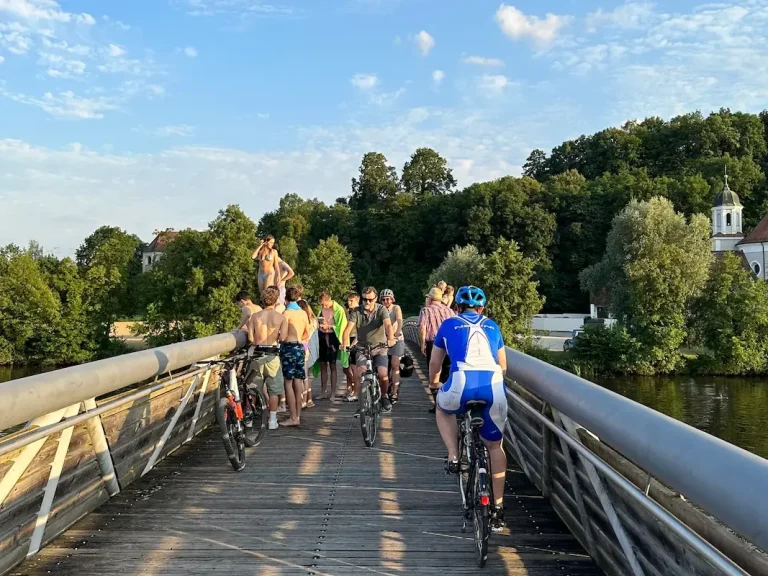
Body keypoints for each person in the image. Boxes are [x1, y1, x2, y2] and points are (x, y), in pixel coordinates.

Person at [429, 286, 507, 533]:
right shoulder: (493, 326)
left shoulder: (449, 324)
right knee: (495, 446)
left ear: (457, 308)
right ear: (481, 308)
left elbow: (435, 363)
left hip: (461, 384)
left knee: (442, 408)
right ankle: (497, 509)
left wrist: (433, 383)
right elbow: (503, 365)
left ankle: (453, 456)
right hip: (492, 387)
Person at [341, 287, 396, 413]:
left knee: (382, 374)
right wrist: (345, 343)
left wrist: (391, 338)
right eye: (364, 299)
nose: (367, 302)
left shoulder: (381, 309)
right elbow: (348, 329)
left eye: (370, 300)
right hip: (362, 347)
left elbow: (388, 324)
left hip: (380, 346)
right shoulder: (356, 311)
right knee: (359, 373)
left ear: (375, 299)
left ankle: (383, 396)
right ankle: (361, 404)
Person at [246, 286, 286, 430]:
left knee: (253, 389)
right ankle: (272, 420)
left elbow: (251, 338)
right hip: (272, 356)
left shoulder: (255, 317)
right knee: (274, 390)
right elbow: (283, 337)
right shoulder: (281, 317)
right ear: (276, 301)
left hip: (257, 356)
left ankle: (249, 419)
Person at [419, 286, 455, 413]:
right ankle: (448, 402)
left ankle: (438, 404)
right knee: (447, 372)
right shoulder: (449, 311)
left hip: (433, 344)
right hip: (449, 344)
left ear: (430, 299)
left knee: (434, 374)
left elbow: (423, 328)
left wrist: (422, 343)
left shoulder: (426, 311)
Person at [279, 286, 311, 426]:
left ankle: (292, 417)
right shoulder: (303, 313)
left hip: (289, 348)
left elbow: (283, 335)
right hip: (299, 347)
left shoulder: (286, 313)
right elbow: (307, 333)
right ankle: (297, 416)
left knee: (288, 382)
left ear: (286, 298)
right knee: (298, 381)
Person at [314, 293, 349, 403]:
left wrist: (329, 326)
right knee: (323, 364)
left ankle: (333, 393)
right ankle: (323, 391)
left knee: (332, 365)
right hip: (323, 336)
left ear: (329, 301)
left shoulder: (338, 309)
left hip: (333, 336)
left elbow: (342, 325)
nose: (323, 307)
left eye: (324, 304)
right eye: (322, 305)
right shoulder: (321, 309)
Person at [380, 289, 404, 404]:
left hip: (396, 339)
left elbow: (399, 320)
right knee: (383, 367)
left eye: (388, 299)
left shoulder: (396, 308)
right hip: (383, 341)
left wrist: (397, 332)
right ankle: (383, 391)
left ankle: (394, 392)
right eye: (383, 299)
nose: (385, 301)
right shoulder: (379, 309)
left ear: (392, 299)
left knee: (395, 365)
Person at [297, 299, 319, 409]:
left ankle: (303, 400)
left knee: (303, 377)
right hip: (313, 350)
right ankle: (309, 399)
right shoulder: (314, 320)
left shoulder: (302, 320)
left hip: (304, 347)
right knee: (308, 377)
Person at [343, 292, 361, 401]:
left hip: (355, 339)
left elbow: (362, 328)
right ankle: (349, 388)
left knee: (354, 368)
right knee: (346, 367)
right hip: (347, 339)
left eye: (352, 301)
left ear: (357, 301)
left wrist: (354, 342)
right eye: (348, 300)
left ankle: (355, 392)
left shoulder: (359, 312)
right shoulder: (348, 312)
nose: (349, 303)